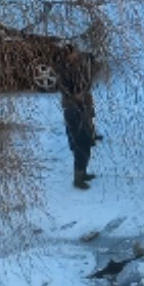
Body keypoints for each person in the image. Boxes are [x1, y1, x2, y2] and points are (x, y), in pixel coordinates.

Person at [58, 48, 98, 190]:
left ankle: (84, 172)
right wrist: (75, 97)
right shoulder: (64, 69)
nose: (76, 55)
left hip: (83, 108)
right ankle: (78, 178)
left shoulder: (81, 67)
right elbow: (64, 88)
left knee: (86, 142)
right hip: (72, 109)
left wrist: (89, 108)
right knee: (79, 143)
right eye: (73, 53)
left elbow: (86, 86)